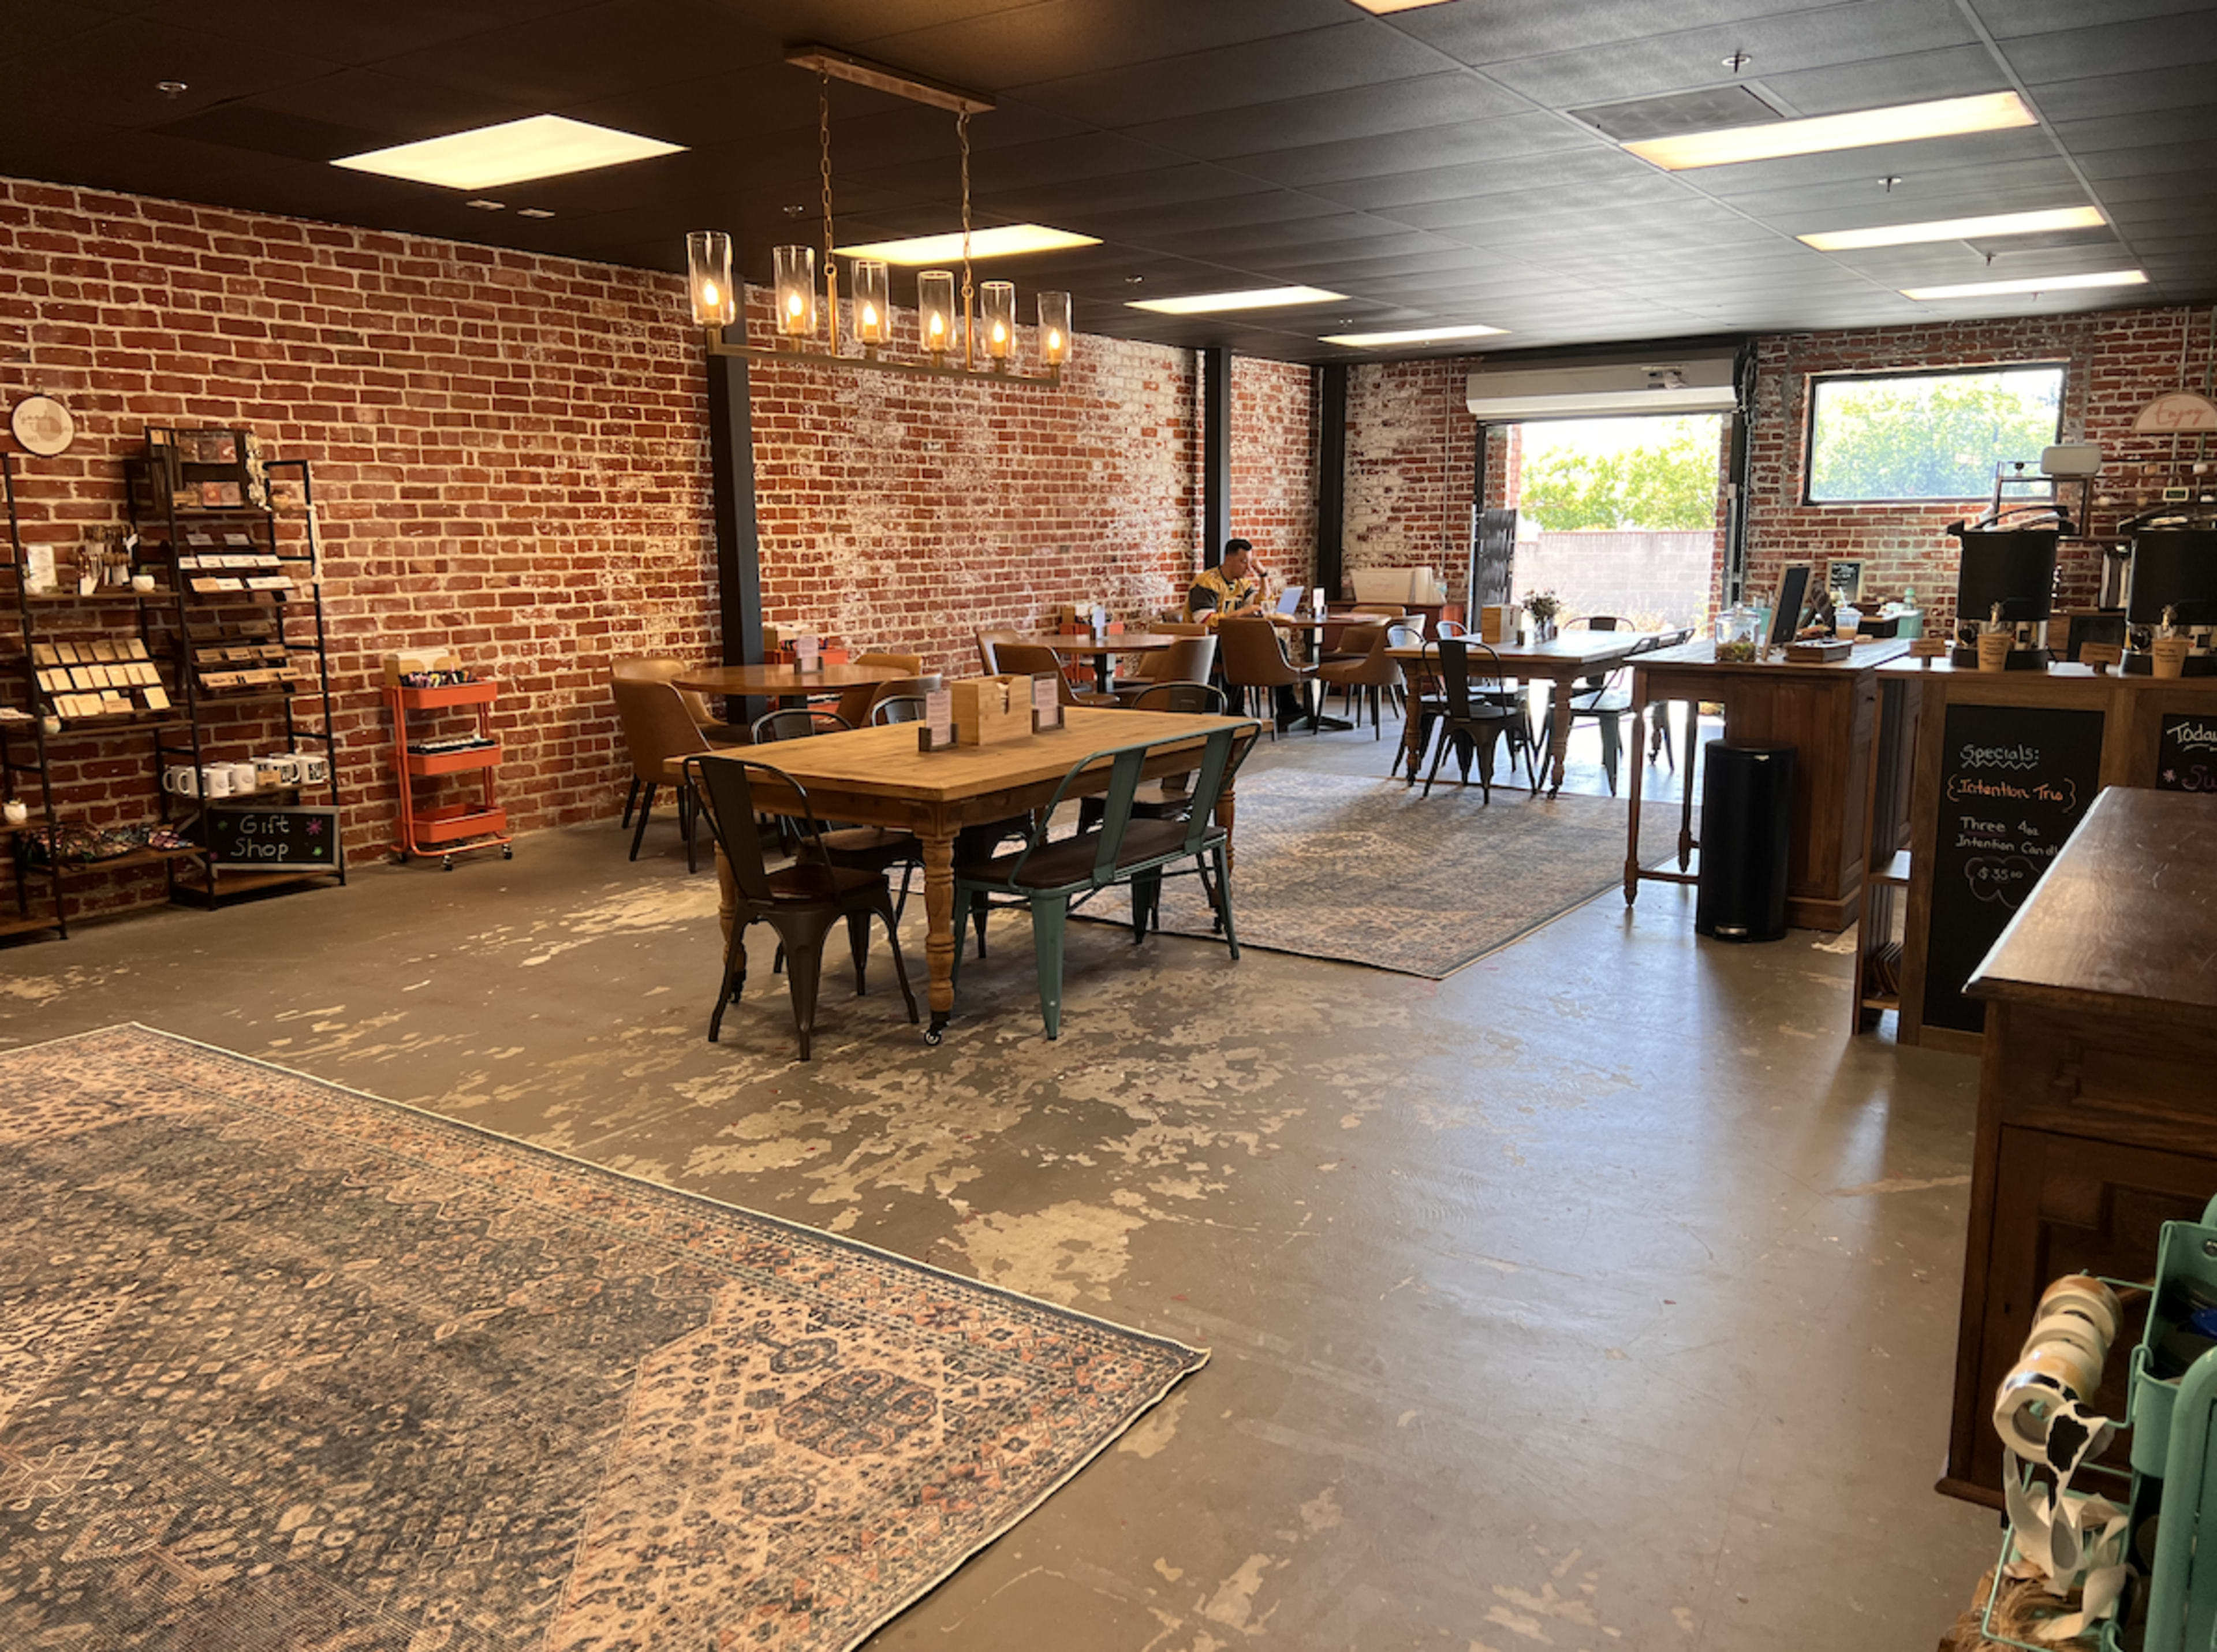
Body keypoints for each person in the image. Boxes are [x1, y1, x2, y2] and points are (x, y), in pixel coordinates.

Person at [1185, 539, 1267, 623]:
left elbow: (1263, 605)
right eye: (1244, 562)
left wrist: (1263, 575)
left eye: (1250, 562)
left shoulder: (1243, 584)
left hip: (1231, 635)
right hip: (1202, 636)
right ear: (1228, 560)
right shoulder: (1206, 582)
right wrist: (1242, 613)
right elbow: (1206, 621)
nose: (1249, 568)